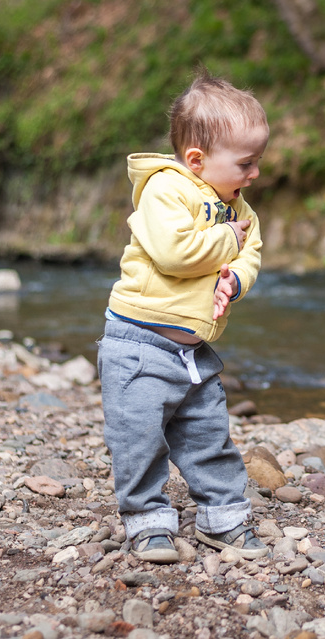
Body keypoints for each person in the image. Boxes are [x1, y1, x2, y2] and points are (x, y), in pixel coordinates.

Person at [98, 72, 269, 563]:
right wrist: (227, 242)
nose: (255, 173)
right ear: (197, 159)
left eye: (257, 161)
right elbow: (175, 252)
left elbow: (250, 253)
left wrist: (235, 278)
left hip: (192, 349)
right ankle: (147, 520)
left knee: (207, 433)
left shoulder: (241, 209)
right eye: (246, 163)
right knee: (138, 437)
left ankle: (224, 518)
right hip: (138, 342)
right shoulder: (164, 191)